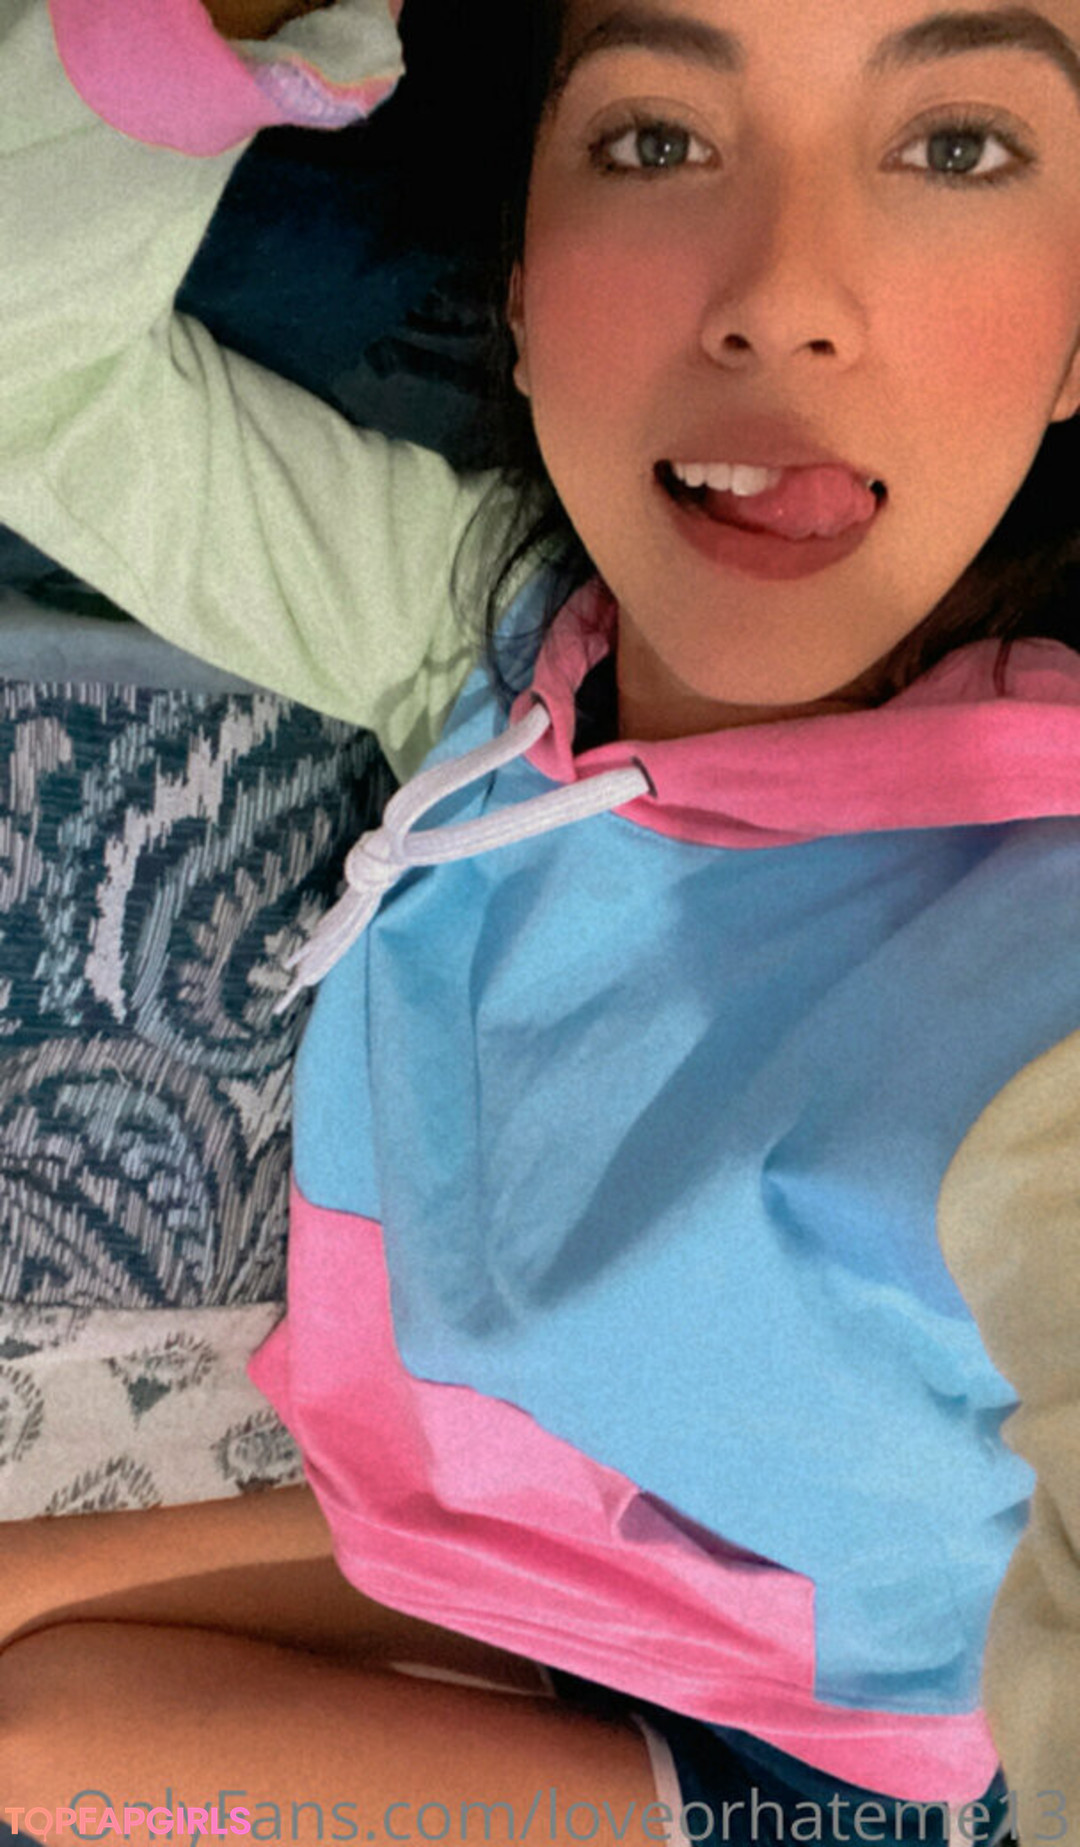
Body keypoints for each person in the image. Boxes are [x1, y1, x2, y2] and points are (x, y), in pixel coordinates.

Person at [0, 0, 1078, 1839]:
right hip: (489, 1528)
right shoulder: (487, 656)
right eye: (658, 140)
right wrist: (219, 30)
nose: (782, 298)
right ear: (517, 287)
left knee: (43, 1745)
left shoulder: (1028, 941)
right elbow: (39, 382)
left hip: (813, 1756)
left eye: (955, 147)